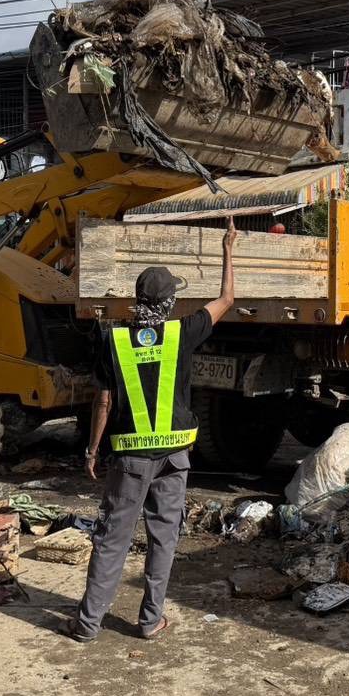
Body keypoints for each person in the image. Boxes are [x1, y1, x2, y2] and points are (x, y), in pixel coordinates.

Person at [67, 216, 239, 643]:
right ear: (169, 302)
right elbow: (227, 299)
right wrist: (227, 249)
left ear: (138, 300)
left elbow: (103, 401)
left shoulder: (113, 340)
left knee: (112, 538)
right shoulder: (183, 333)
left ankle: (87, 624)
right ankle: (149, 621)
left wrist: (92, 450)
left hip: (129, 459)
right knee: (164, 538)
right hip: (174, 456)